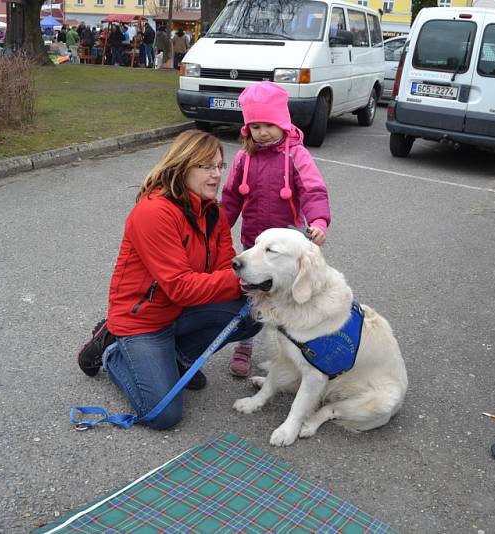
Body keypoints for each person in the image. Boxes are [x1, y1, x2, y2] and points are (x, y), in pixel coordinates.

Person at [80, 130, 262, 430]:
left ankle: (178, 358)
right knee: (164, 416)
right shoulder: (154, 212)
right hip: (143, 322)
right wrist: (242, 280)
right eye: (206, 167)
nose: (217, 175)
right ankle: (111, 348)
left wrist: (258, 277)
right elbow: (180, 287)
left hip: (179, 313)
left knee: (256, 311)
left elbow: (224, 267)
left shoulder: (213, 212)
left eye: (220, 166)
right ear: (182, 166)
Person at [221, 81, 331, 377]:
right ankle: (244, 343)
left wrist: (318, 222)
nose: (262, 132)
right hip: (254, 244)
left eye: (268, 124)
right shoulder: (245, 158)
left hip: (285, 248)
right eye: (255, 126)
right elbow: (230, 197)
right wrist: (218, 230)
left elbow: (313, 191)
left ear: (283, 122)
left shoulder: (296, 156)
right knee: (252, 294)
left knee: (290, 297)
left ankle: (295, 348)